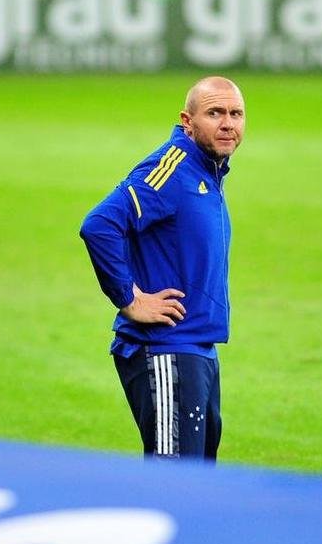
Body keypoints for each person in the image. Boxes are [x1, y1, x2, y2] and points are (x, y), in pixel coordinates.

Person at [79, 76, 245, 461]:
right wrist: (129, 299)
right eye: (215, 113)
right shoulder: (172, 168)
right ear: (188, 121)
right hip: (167, 350)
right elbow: (100, 224)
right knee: (173, 481)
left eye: (236, 114)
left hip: (197, 348)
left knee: (195, 479)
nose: (227, 124)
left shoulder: (207, 171)